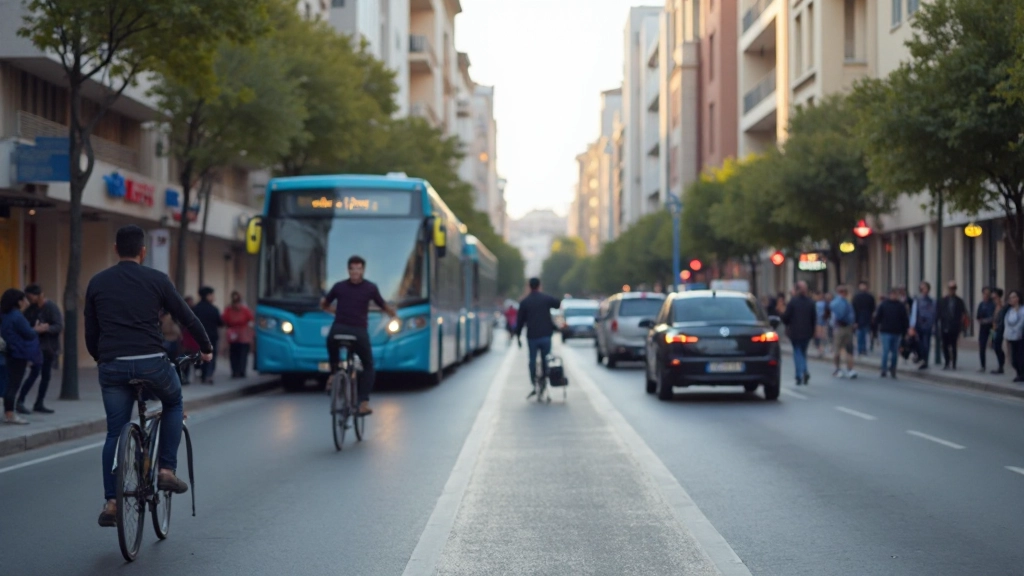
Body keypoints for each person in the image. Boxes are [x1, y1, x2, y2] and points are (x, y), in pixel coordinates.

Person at [84, 225, 214, 527]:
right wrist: (206, 349)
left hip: (112, 365)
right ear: (143, 251)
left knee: (114, 432)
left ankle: (112, 502)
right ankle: (166, 470)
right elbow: (186, 317)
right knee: (174, 401)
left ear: (116, 249)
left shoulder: (98, 282)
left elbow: (91, 330)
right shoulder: (157, 279)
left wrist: (99, 358)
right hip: (151, 364)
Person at [321, 255, 397, 416]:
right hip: (358, 332)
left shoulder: (338, 286)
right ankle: (363, 403)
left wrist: (332, 311)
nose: (355, 271)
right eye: (353, 268)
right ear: (349, 270)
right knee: (369, 366)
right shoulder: (370, 288)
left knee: (331, 342)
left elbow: (324, 304)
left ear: (362, 270)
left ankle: (334, 374)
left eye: (358, 268)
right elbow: (383, 305)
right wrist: (393, 314)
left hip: (338, 330)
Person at [18, 284, 62, 414]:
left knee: (45, 376)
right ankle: (20, 400)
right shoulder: (30, 309)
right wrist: (34, 328)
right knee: (34, 373)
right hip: (34, 346)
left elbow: (59, 325)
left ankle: (39, 402)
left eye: (30, 297)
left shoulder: (51, 307)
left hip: (47, 347)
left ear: (39, 295)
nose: (29, 299)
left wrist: (46, 328)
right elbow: (24, 324)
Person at [1, 289, 43, 425]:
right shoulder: (17, 316)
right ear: (18, 301)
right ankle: (10, 414)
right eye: (23, 299)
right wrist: (36, 329)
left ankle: (8, 412)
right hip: (18, 353)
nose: (25, 302)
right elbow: (29, 333)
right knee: (14, 385)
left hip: (7, 353)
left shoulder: (4, 315)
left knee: (8, 383)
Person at [514, 277, 562, 395]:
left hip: (532, 336)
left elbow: (520, 321)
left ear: (529, 286)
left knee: (532, 360)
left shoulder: (525, 302)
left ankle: (533, 382)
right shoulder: (546, 298)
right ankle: (545, 379)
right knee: (546, 359)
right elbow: (558, 303)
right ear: (540, 285)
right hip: (546, 335)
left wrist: (518, 337)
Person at [781, 281, 816, 386]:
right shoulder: (811, 302)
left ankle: (799, 374)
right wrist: (812, 331)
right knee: (803, 352)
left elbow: (786, 317)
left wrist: (785, 321)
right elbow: (813, 318)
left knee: (797, 352)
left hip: (795, 332)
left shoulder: (793, 302)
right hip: (807, 332)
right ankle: (804, 370)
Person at [875, 287, 910, 378]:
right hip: (885, 331)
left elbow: (905, 320)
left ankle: (893, 368)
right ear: (889, 295)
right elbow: (878, 318)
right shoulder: (883, 305)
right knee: (886, 351)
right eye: (892, 294)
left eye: (895, 294)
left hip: (897, 332)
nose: (894, 296)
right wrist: (876, 329)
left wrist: (905, 331)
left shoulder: (900, 306)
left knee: (895, 352)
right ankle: (884, 368)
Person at [192, 287, 223, 384]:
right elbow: (220, 323)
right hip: (211, 337)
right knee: (210, 357)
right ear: (208, 295)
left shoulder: (195, 308)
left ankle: (200, 373)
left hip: (198, 337)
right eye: (212, 295)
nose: (214, 297)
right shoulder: (214, 309)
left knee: (200, 355)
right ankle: (208, 375)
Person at [222, 291, 255, 378]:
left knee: (243, 353)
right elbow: (225, 319)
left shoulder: (245, 310)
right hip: (233, 334)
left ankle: (241, 370)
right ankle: (235, 371)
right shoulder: (228, 310)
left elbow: (251, 319)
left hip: (243, 334)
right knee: (234, 354)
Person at [937, 280, 967, 370]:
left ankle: (954, 363)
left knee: (954, 346)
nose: (952, 290)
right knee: (945, 345)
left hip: (955, 327)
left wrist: (962, 327)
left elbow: (963, 314)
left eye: (953, 288)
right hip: (945, 326)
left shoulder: (959, 301)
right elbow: (938, 314)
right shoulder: (942, 301)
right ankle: (947, 362)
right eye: (950, 288)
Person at [829, 285, 857, 378]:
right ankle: (850, 370)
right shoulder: (847, 303)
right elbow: (852, 315)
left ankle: (837, 369)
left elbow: (832, 315)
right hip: (848, 328)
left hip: (838, 328)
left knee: (837, 350)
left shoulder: (834, 303)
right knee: (849, 350)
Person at [908, 281, 937, 369]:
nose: (923, 290)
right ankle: (919, 357)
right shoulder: (917, 300)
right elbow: (914, 313)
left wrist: (933, 324)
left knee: (926, 344)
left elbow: (934, 313)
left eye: (924, 288)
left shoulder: (932, 301)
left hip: (927, 325)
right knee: (918, 343)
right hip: (918, 325)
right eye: (922, 288)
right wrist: (912, 325)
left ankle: (925, 360)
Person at [1003, 290, 1024, 382]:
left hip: (1020, 337)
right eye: (1010, 297)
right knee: (1014, 358)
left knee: (1020, 357)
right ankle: (1018, 373)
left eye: (1013, 297)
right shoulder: (1009, 311)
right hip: (1011, 337)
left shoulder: (1022, 311)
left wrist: (1016, 331)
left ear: (1018, 298)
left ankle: (1021, 374)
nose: (1011, 299)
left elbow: (1021, 323)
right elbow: (1006, 324)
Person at [852, 281, 876, 356]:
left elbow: (872, 308)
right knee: (861, 335)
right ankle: (861, 349)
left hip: (865, 319)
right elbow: (854, 309)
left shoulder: (869, 297)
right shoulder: (857, 297)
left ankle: (863, 349)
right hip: (860, 319)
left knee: (864, 335)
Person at [975, 287, 995, 372]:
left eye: (987, 294)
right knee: (982, 347)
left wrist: (988, 320)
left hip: (992, 328)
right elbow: (978, 316)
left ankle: (1000, 365)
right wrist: (981, 320)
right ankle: (983, 365)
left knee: (995, 346)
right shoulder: (981, 304)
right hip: (983, 328)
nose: (986, 295)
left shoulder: (993, 304)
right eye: (984, 294)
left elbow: (994, 317)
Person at [991, 288, 1007, 374]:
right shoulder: (995, 306)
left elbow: (1001, 319)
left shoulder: (1001, 306)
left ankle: (1001, 365)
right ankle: (1000, 365)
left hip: (999, 329)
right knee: (995, 347)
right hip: (994, 330)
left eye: (994, 295)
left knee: (997, 347)